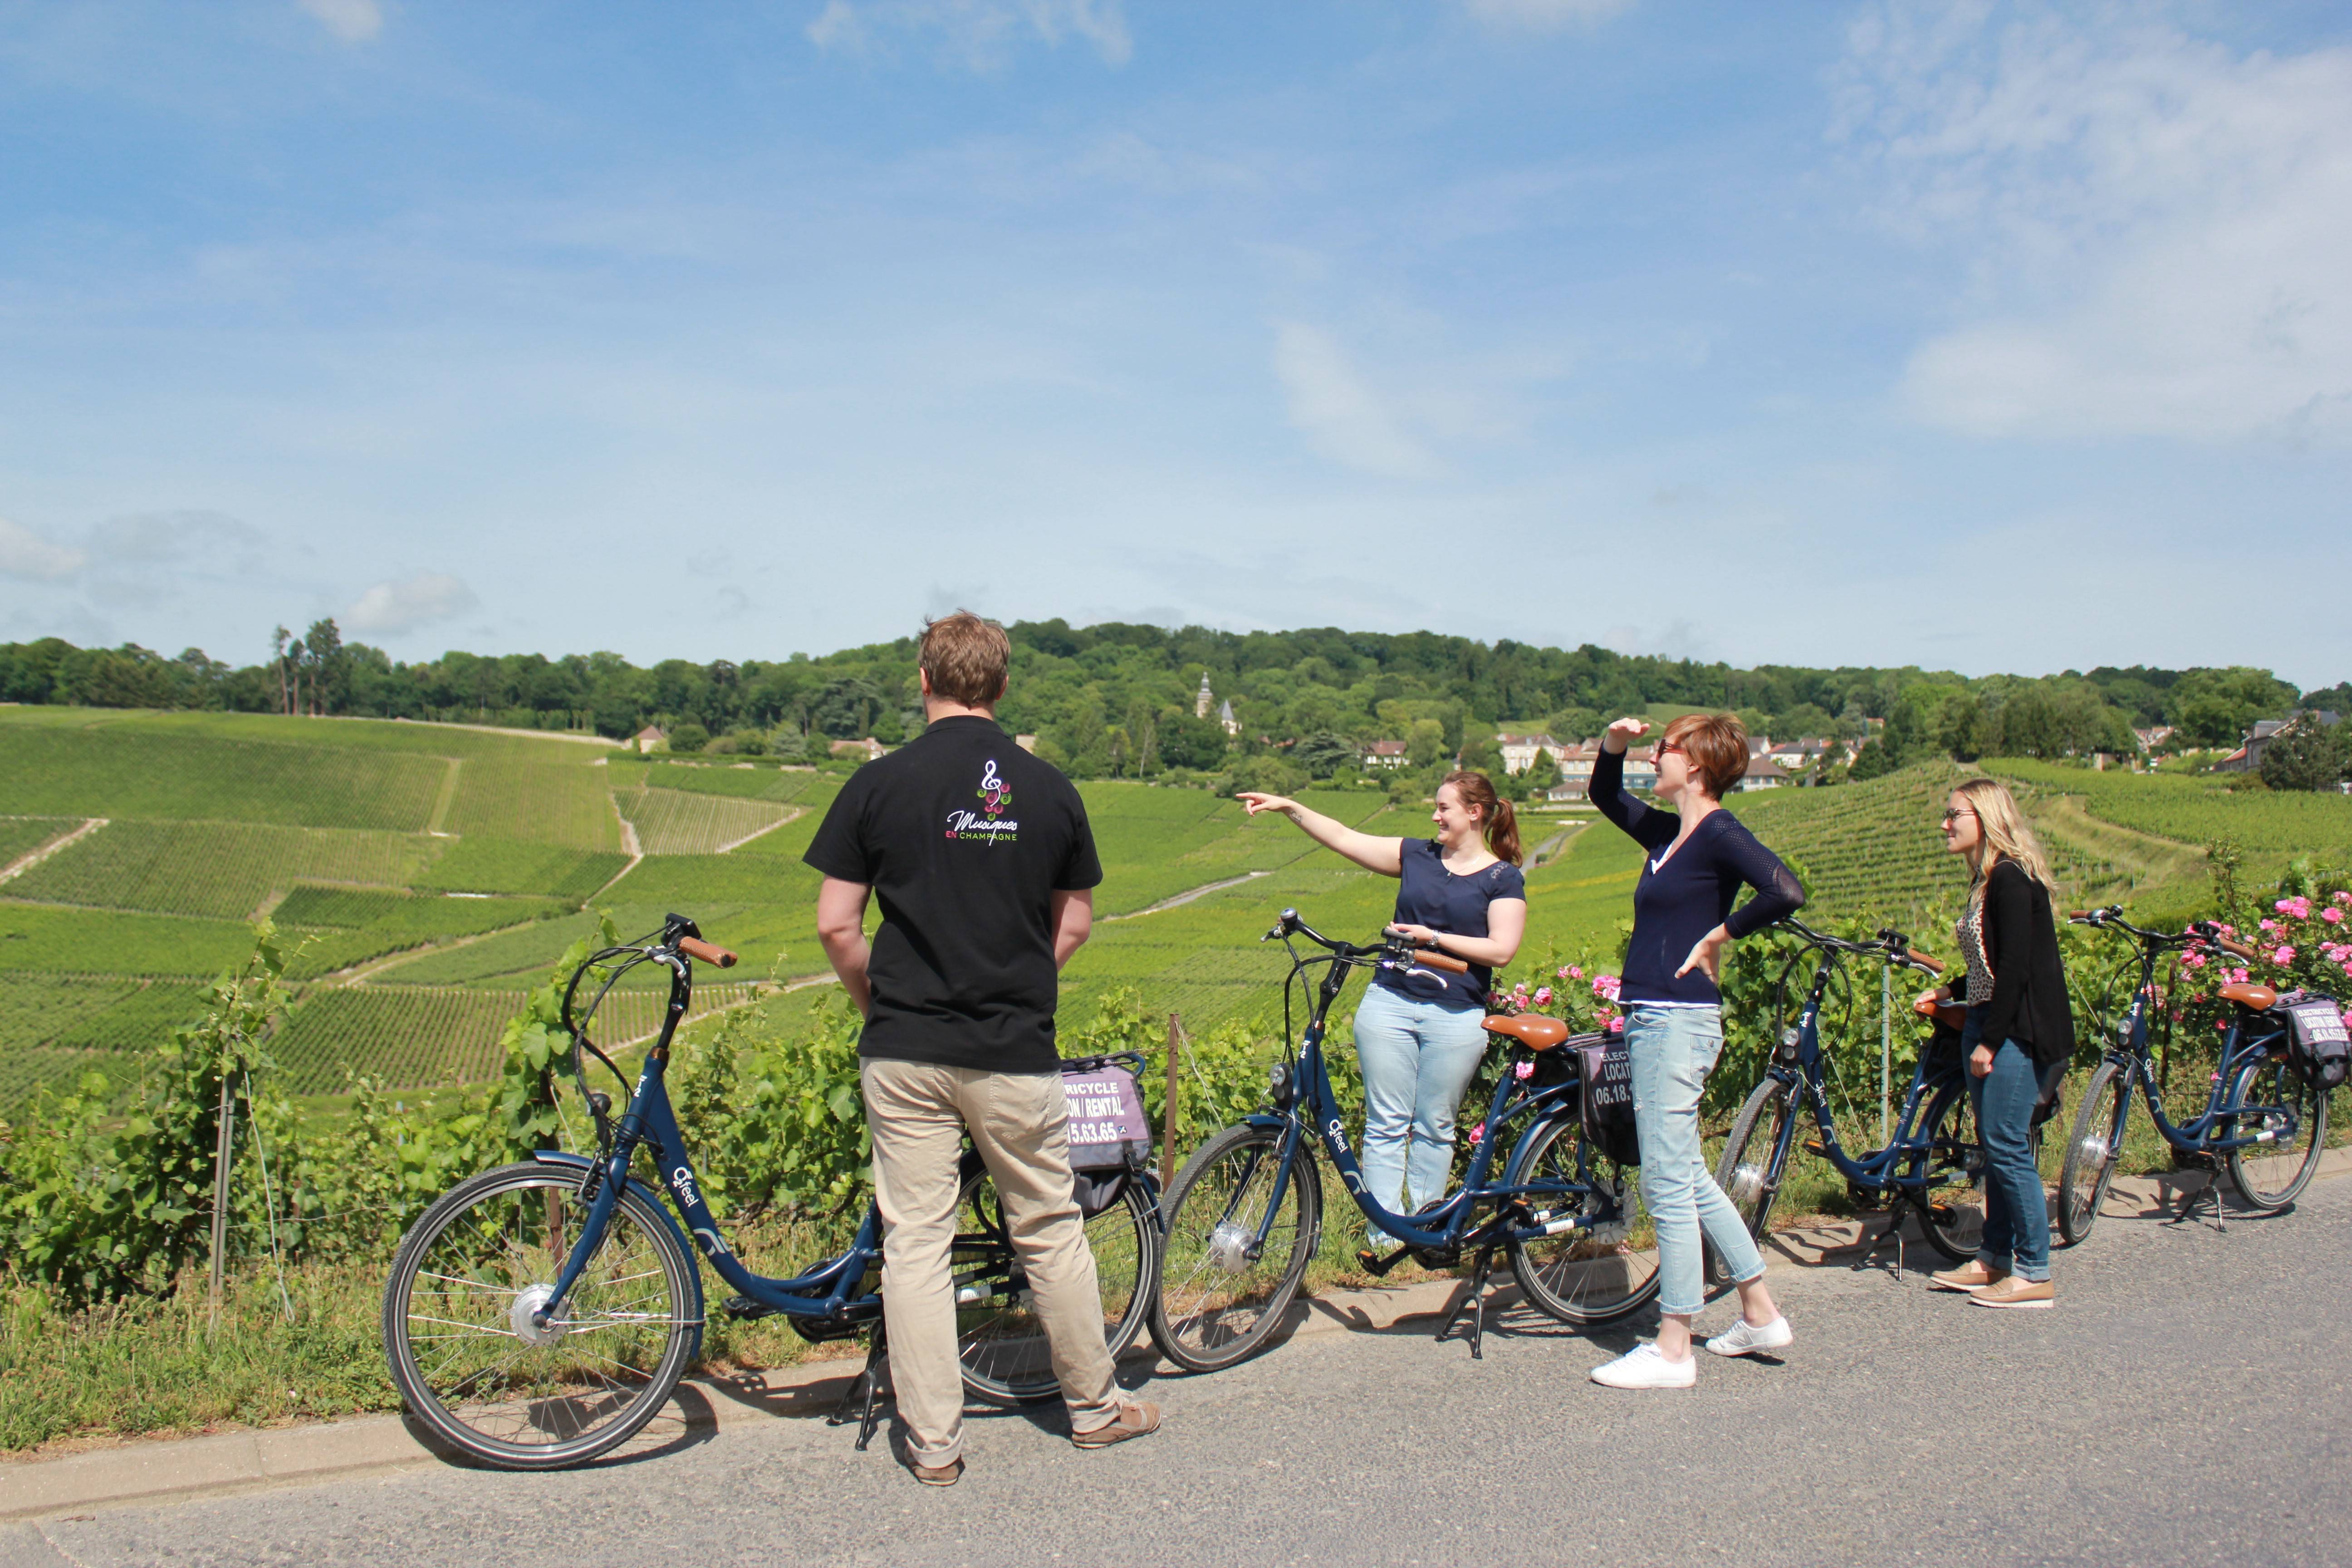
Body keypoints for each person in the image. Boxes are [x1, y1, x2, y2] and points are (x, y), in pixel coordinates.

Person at [804, 612, 1160, 1485]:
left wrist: (876, 1003)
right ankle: (1094, 1408)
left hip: (905, 1046)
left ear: (921, 681)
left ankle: (933, 1446)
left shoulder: (876, 784)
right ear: (1001, 687)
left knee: (915, 1242)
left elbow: (835, 923)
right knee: (1047, 1225)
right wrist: (1020, 975)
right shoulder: (1048, 789)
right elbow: (1074, 917)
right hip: (1012, 1045)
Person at [1584, 713, 1804, 1389]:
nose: (1657, 757)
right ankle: (1760, 1311)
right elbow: (1604, 794)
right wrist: (1615, 743)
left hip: (1677, 1021)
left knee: (1667, 1182)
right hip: (1659, 1015)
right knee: (1688, 1174)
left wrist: (1720, 935)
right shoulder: (1666, 831)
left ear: (1699, 764)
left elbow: (1786, 889)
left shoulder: (1717, 832)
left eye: (1666, 749)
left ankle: (1674, 1344)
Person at [1235, 772, 1526, 1250]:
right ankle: (1387, 1233)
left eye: (1444, 808)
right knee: (1386, 1122)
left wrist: (1430, 938)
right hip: (1390, 1002)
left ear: (1474, 813)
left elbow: (1501, 950)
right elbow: (1346, 838)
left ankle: (1427, 1227)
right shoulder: (1417, 856)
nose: (1435, 816)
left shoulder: (1502, 878)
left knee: (1435, 1124)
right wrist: (1290, 806)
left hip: (1456, 1015)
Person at [1921, 778, 2073, 1309]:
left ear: (1984, 816)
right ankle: (1993, 1259)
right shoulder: (1988, 882)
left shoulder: (2010, 879)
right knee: (1997, 1148)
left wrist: (1991, 1039)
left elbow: (2015, 970)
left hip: (2016, 1032)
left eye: (1953, 813)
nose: (1945, 823)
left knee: (2007, 1147)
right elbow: (1988, 966)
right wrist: (1951, 991)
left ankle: (2034, 1272)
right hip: (1992, 1022)